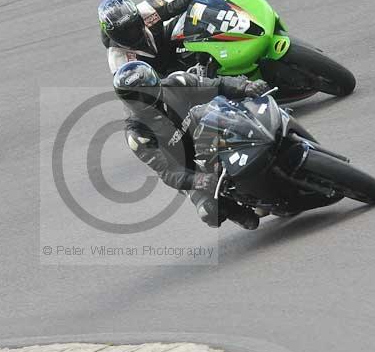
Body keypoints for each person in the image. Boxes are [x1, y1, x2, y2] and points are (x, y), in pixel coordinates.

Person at [113, 61, 267, 230]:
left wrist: (244, 86)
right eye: (137, 97)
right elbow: (167, 171)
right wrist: (198, 180)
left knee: (251, 121)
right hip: (189, 167)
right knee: (209, 212)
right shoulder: (137, 133)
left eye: (147, 91)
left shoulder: (178, 83)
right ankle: (236, 210)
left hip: (210, 134)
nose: (146, 98)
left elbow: (217, 84)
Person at [98, 0, 250, 75]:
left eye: (133, 26)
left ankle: (235, 37)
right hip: (159, 77)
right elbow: (142, 93)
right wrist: (183, 80)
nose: (132, 33)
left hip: (166, 45)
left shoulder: (146, 10)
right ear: (112, 34)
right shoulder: (119, 60)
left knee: (193, 13)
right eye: (125, 31)